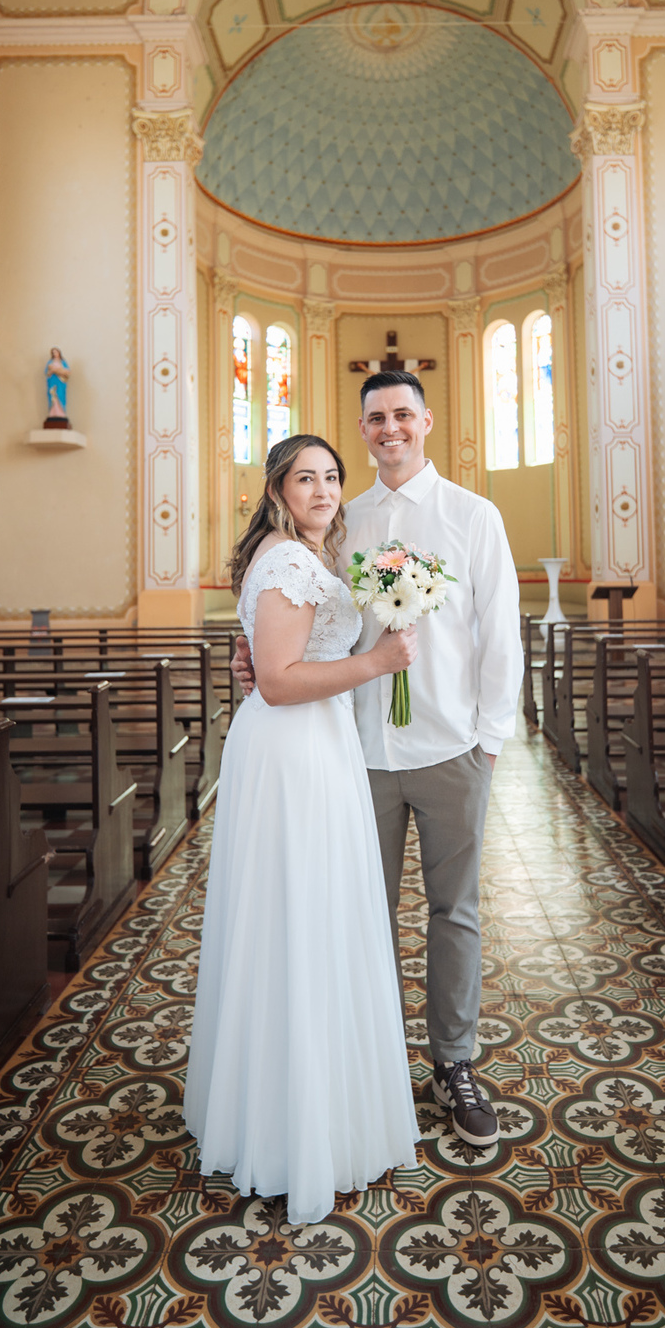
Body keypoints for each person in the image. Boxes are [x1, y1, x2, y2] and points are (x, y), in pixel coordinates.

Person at [234, 374, 524, 1151]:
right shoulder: (339, 521)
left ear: (427, 421)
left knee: (454, 911)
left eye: (402, 415)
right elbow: (300, 625)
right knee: (359, 916)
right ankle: (373, 1064)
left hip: (450, 747)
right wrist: (256, 660)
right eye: (375, 418)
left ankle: (455, 1062)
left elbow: (502, 635)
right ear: (362, 430)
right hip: (356, 754)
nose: (389, 428)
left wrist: (488, 743)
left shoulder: (473, 516)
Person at [184, 433, 420, 1225]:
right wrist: (378, 664)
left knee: (308, 922)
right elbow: (281, 684)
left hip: (317, 747)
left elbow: (269, 661)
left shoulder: (311, 558)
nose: (321, 490)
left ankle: (306, 1111)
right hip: (293, 752)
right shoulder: (288, 561)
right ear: (279, 491)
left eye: (330, 477)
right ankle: (291, 1133)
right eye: (304, 478)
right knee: (298, 921)